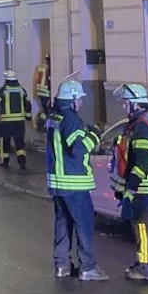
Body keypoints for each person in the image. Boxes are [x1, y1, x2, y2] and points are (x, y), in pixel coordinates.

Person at [46, 78, 108, 282]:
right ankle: (88, 267)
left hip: (57, 184)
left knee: (63, 224)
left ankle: (61, 265)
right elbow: (78, 149)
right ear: (72, 100)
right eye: (79, 99)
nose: (81, 102)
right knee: (84, 224)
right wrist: (95, 135)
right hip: (74, 183)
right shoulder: (71, 120)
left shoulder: (54, 116)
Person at [109, 82, 148, 283]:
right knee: (143, 227)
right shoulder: (139, 123)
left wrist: (130, 190)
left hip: (141, 187)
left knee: (143, 227)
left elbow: (142, 161)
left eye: (126, 103)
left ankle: (147, 269)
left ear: (135, 104)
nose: (124, 107)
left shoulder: (142, 126)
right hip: (141, 186)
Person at [0, 69, 32, 169]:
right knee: (19, 142)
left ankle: (5, 162)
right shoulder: (21, 90)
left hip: (7, 122)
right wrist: (28, 116)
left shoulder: (3, 90)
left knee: (5, 142)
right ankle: (22, 162)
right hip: (19, 122)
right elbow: (28, 104)